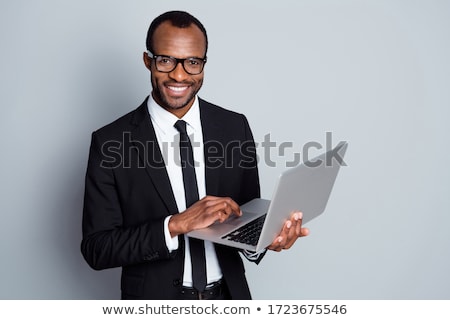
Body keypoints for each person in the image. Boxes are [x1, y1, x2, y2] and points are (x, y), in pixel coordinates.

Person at [81, 10, 309, 300]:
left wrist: (267, 239)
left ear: (203, 63)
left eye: (192, 62)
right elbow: (97, 248)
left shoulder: (233, 126)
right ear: (147, 61)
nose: (179, 75)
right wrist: (176, 224)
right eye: (166, 60)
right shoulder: (110, 141)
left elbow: (246, 214)